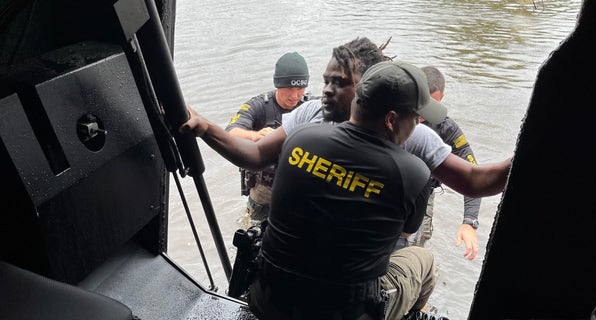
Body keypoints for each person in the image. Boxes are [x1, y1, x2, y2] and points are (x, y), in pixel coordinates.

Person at [180, 37, 512, 261]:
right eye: (328, 81)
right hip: (324, 267)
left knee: (415, 256)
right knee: (420, 260)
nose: (327, 91)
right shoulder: (312, 116)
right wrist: (206, 128)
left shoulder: (414, 136)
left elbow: (474, 180)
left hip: (358, 262)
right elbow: (254, 155)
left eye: (340, 83)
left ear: (371, 86)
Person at [248, 60, 445, 320]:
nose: (417, 127)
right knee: (423, 259)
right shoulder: (415, 173)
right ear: (391, 119)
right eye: (417, 120)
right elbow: (404, 232)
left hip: (266, 299)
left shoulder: (300, 138)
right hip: (349, 312)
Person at [225, 52, 314, 227]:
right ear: (278, 85)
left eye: (300, 89)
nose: (295, 96)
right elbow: (230, 132)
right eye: (289, 88)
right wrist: (255, 136)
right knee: (255, 236)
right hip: (264, 190)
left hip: (299, 187)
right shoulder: (258, 106)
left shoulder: (311, 107)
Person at [407, 66, 482, 250]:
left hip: (424, 193)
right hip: (391, 187)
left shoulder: (447, 128)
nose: (423, 113)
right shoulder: (393, 115)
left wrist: (469, 221)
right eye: (421, 104)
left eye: (432, 105)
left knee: (419, 241)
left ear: (442, 99)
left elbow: (473, 173)